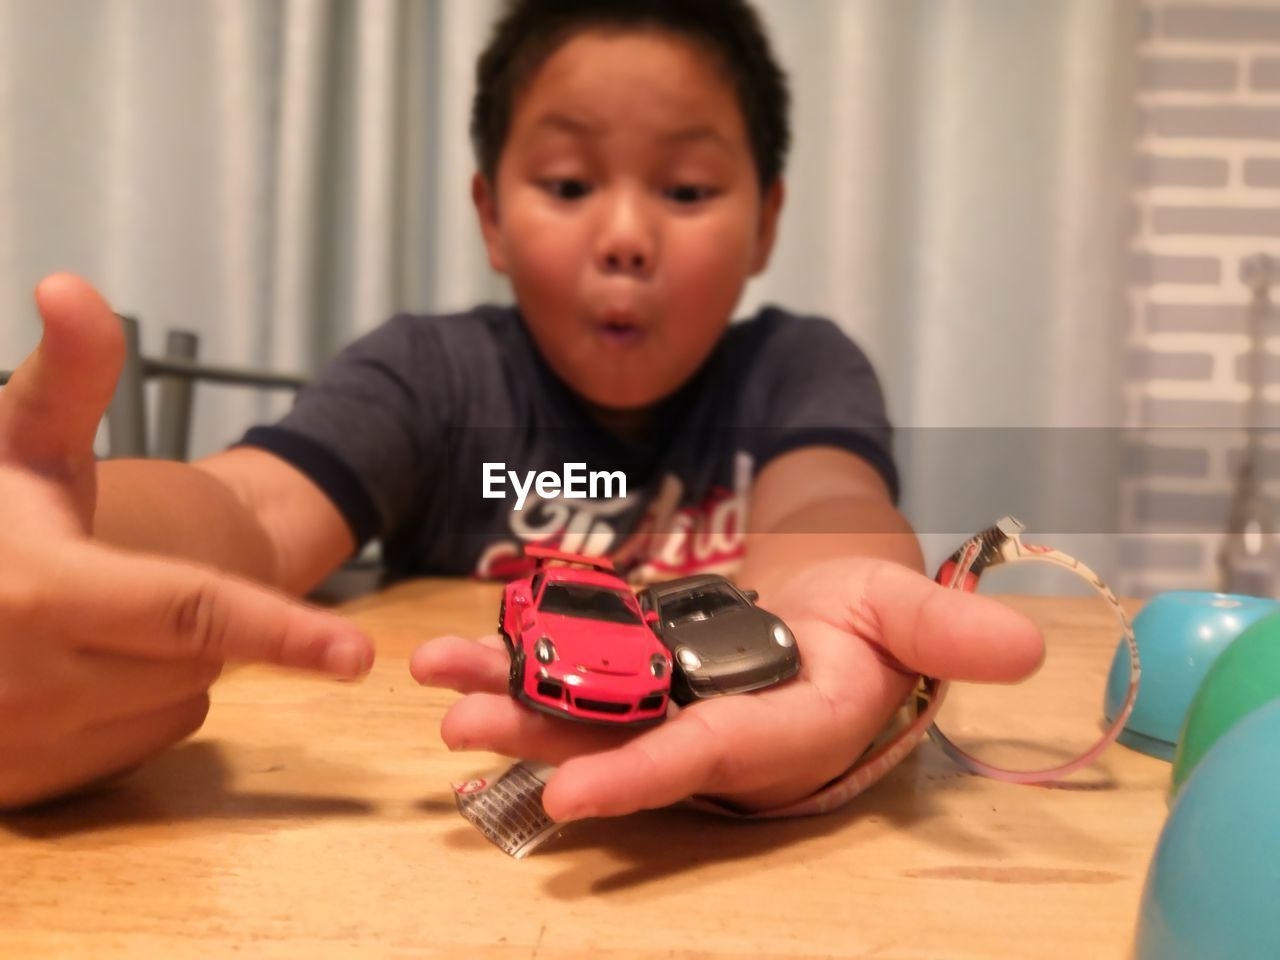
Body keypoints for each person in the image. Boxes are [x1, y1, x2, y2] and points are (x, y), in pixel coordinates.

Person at [0, 0, 1042, 817]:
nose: (626, 236)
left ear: (765, 221)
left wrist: (825, 600)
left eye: (684, 191)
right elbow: (249, 509)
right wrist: (70, 544)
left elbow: (826, 504)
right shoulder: (430, 374)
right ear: (491, 214)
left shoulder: (796, 366)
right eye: (566, 182)